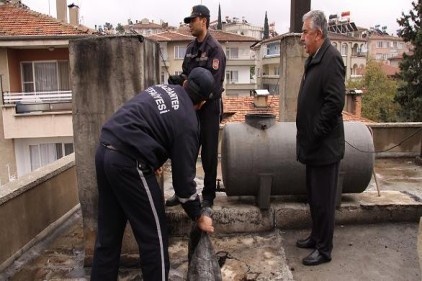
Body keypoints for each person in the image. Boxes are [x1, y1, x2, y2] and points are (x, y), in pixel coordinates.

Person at [90, 67, 216, 281]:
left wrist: (153, 158)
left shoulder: (162, 89)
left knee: (108, 237)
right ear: (202, 103)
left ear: (185, 83)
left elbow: (149, 123)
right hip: (128, 162)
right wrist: (198, 216)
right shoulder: (188, 122)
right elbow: (184, 185)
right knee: (154, 240)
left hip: (105, 150)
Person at [295, 10, 345, 266]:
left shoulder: (332, 59)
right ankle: (316, 237)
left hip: (324, 146)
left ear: (318, 33)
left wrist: (314, 132)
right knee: (314, 197)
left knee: (324, 201)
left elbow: (335, 102)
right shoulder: (315, 57)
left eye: (305, 32)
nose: (302, 37)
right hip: (313, 145)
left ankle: (324, 249)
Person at [166, 4, 226, 208]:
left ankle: (208, 197)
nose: (190, 24)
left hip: (208, 108)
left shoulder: (215, 49)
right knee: (186, 151)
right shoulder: (191, 48)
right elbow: (186, 74)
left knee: (208, 154)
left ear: (204, 20)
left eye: (193, 20)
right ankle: (183, 192)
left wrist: (198, 100)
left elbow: (214, 85)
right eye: (189, 21)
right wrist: (178, 80)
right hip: (190, 108)